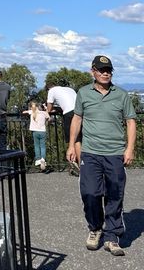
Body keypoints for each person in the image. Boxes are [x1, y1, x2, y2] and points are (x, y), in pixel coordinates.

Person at [66, 55, 136, 256]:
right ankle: (95, 228)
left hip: (114, 153)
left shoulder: (122, 95)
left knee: (115, 194)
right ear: (93, 71)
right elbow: (77, 119)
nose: (106, 73)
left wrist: (129, 148)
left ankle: (112, 236)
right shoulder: (83, 93)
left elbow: (131, 122)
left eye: (109, 70)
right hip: (90, 152)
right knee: (90, 193)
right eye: (101, 70)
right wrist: (71, 145)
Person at [46, 79, 81, 176]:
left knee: (75, 140)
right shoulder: (69, 89)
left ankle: (81, 166)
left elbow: (49, 108)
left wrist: (48, 110)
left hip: (69, 114)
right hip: (81, 111)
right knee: (82, 138)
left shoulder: (51, 91)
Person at [22, 101, 49, 171]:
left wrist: (28, 111)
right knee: (42, 146)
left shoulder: (32, 112)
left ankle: (38, 159)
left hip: (35, 131)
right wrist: (46, 108)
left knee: (36, 145)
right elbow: (49, 118)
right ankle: (43, 158)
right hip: (42, 131)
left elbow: (24, 112)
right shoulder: (44, 113)